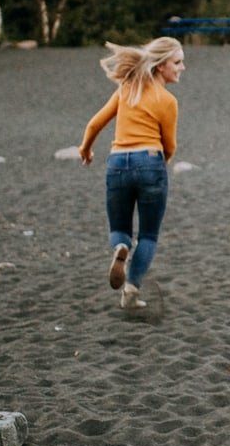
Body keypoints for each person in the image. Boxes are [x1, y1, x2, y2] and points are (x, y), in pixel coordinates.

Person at [79, 37, 185, 310]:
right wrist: (160, 166)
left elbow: (94, 124)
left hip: (117, 163)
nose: (182, 67)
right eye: (177, 62)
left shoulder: (127, 89)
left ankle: (121, 248)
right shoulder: (168, 101)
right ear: (161, 66)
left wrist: (85, 150)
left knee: (119, 228)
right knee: (148, 235)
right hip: (150, 162)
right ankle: (131, 290)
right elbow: (169, 145)